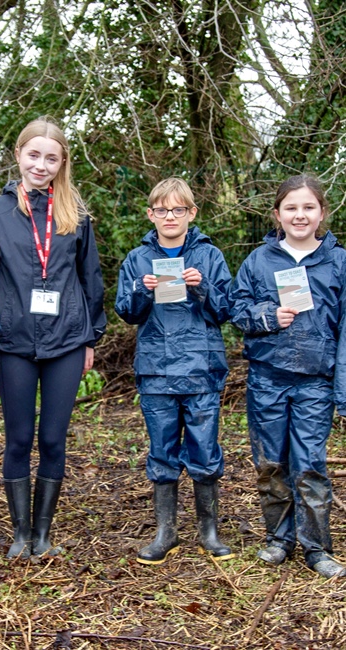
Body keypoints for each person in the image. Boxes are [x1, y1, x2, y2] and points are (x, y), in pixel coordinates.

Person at [0, 117, 105, 559]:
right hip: (12, 342)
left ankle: (43, 533)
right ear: (18, 155)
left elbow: (90, 280)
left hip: (65, 340)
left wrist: (90, 339)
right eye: (34, 155)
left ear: (62, 162)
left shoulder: (76, 216)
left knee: (52, 439)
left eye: (51, 158)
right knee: (18, 438)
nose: (41, 165)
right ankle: (20, 533)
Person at [230, 175, 346, 578]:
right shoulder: (259, 261)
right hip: (268, 379)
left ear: (321, 213)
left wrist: (342, 387)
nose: (300, 215)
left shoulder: (338, 261)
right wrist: (266, 317)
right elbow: (237, 307)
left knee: (311, 464)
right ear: (277, 214)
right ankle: (279, 539)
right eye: (291, 208)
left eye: (308, 207)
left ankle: (317, 547)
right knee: (271, 464)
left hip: (317, 380)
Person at [115, 178, 234, 565]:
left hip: (202, 368)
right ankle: (166, 531)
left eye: (178, 209)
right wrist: (141, 289)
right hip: (156, 370)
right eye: (162, 210)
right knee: (162, 450)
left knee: (204, 447)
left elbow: (226, 310)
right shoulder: (137, 258)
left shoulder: (210, 256)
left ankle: (208, 531)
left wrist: (203, 289)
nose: (170, 216)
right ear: (151, 215)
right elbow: (127, 312)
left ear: (191, 213)